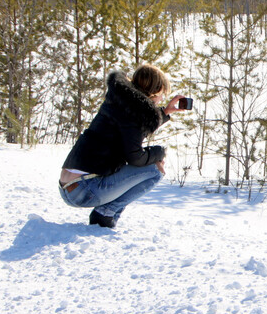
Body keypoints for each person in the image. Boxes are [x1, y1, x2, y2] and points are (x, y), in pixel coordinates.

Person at [58, 64, 189, 228]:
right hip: (83, 191)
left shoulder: (120, 102)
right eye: (162, 94)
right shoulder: (135, 113)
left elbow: (131, 129)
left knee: (149, 164)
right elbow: (135, 157)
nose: (162, 99)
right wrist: (159, 152)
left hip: (69, 187)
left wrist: (163, 114)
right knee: (156, 170)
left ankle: (105, 213)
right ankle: (105, 213)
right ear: (154, 92)